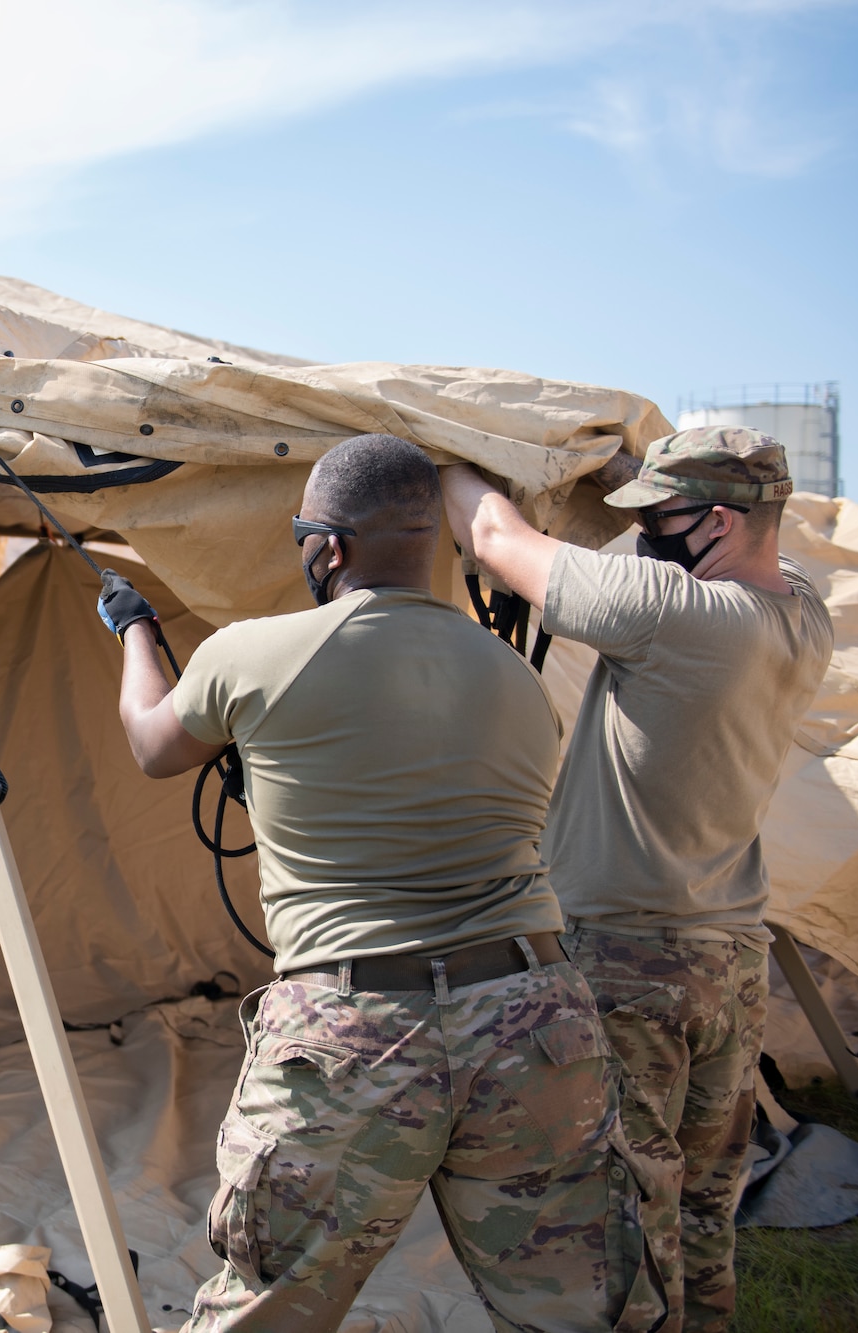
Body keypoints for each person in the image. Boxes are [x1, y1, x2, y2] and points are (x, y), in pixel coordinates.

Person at [106, 433, 658, 1333]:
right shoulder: (519, 680)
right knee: (580, 1309)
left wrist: (135, 629)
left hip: (353, 1035)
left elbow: (151, 742)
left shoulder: (251, 655)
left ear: (328, 545)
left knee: (267, 1311)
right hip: (534, 1020)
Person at [442, 427, 832, 1332]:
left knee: (618, 1214)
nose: (647, 533)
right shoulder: (804, 618)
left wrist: (441, 453)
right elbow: (752, 545)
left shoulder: (676, 610)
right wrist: (642, 478)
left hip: (627, 962)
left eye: (661, 518)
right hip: (730, 963)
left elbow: (494, 539)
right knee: (701, 1206)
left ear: (721, 520)